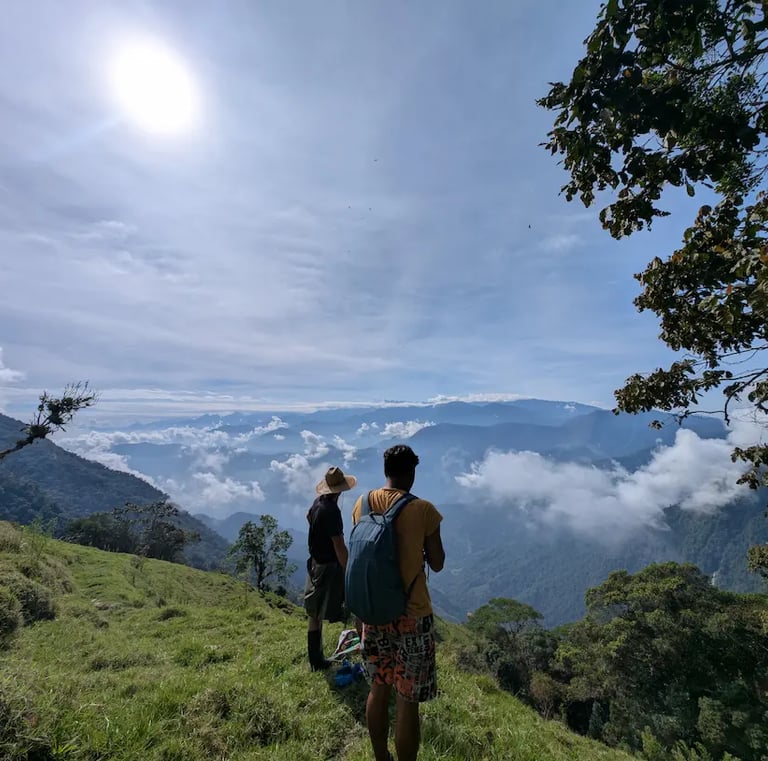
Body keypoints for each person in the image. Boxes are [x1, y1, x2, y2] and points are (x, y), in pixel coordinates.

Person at [351, 445, 445, 761]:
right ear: (412, 472)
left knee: (378, 689)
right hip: (412, 616)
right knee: (407, 700)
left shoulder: (361, 504)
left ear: (386, 470)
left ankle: (381, 756)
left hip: (374, 612)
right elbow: (438, 561)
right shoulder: (424, 510)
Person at [304, 465, 356, 671]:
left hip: (314, 561)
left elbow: (309, 516)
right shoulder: (332, 511)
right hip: (327, 565)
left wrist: (317, 533)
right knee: (327, 609)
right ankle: (317, 661)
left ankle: (315, 659)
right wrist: (348, 569)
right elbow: (339, 545)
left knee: (313, 612)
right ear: (340, 490)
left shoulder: (318, 503)